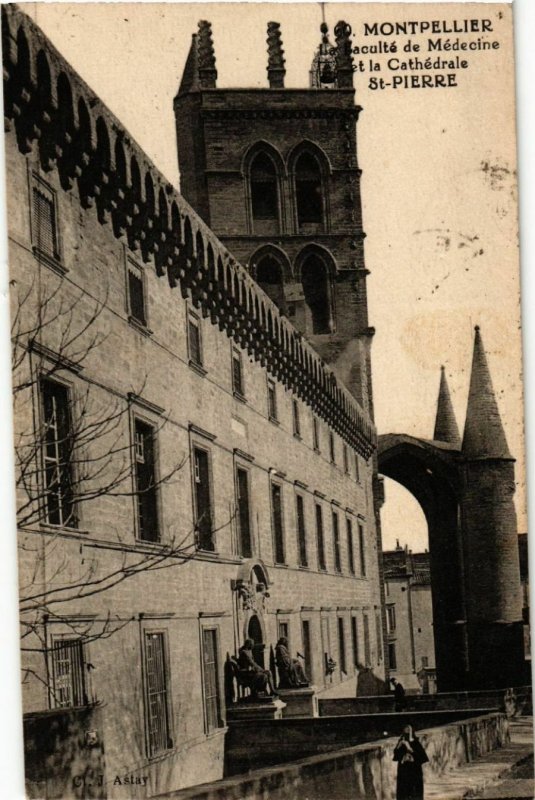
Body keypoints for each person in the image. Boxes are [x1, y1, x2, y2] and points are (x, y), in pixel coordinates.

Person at [393, 724, 429, 800]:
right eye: (405, 728)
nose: (407, 730)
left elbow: (422, 757)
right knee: (403, 790)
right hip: (404, 770)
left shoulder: (416, 742)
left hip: (414, 771)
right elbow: (396, 755)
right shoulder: (401, 741)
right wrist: (402, 755)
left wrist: (409, 748)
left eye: (408, 729)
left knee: (414, 790)